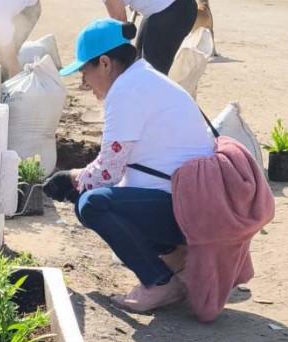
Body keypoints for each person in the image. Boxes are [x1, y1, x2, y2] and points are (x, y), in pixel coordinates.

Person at [42, 18, 214, 313]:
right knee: (94, 193)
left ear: (105, 63)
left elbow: (109, 171)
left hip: (185, 207)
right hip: (195, 202)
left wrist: (71, 179)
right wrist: (79, 179)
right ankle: (176, 257)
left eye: (85, 71)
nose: (84, 82)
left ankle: (159, 282)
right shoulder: (143, 78)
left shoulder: (126, 92)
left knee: (92, 204)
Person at [101, 0, 198, 74]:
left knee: (151, 74)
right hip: (166, 9)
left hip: (172, 10)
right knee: (140, 66)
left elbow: (120, 25)